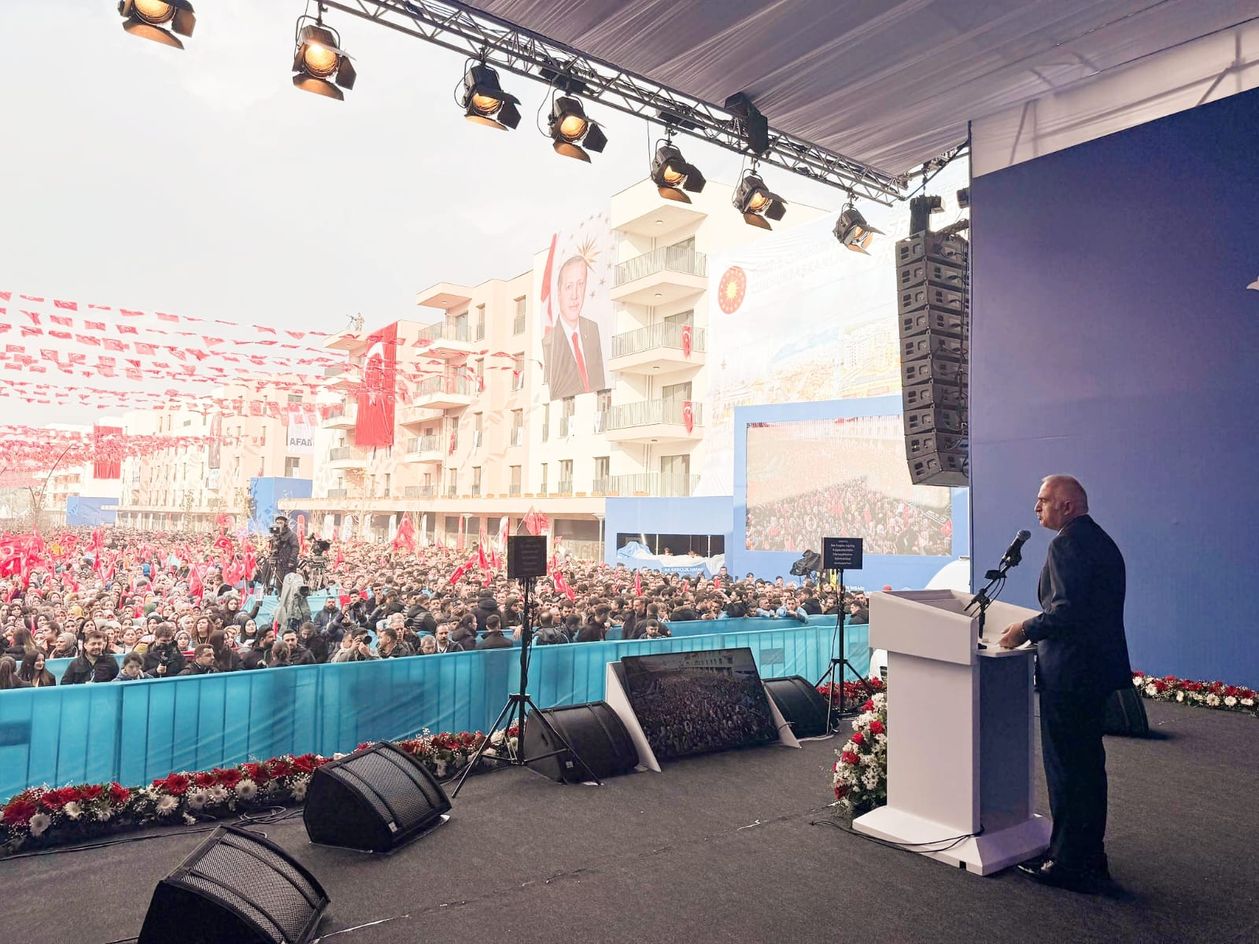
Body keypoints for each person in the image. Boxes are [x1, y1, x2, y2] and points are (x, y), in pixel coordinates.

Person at [999, 475, 1132, 891]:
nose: (1036, 509)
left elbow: (1067, 614)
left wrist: (1024, 627)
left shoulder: (1068, 544)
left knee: (1068, 771)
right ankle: (1086, 855)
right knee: (1087, 769)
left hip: (1071, 676)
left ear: (1068, 506)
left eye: (1043, 501)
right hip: (1091, 675)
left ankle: (1069, 863)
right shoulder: (1099, 540)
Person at [544, 255, 606, 398]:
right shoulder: (549, 341)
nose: (575, 295)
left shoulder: (592, 329)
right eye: (569, 286)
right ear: (558, 292)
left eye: (580, 284)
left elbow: (600, 383)